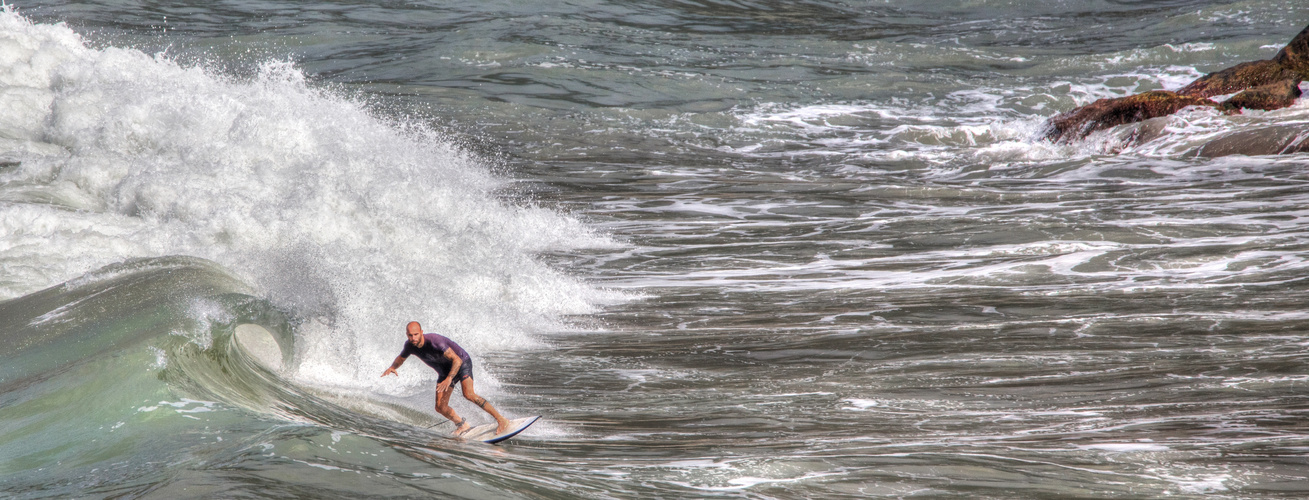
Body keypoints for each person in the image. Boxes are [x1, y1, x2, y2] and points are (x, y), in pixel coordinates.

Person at [381, 321, 511, 436]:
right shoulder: (409, 346)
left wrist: (450, 378)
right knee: (440, 407)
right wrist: (393, 367)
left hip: (461, 363)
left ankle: (501, 419)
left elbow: (457, 360)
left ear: (421, 332)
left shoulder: (435, 342)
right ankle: (462, 425)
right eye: (410, 335)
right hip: (444, 371)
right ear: (406, 335)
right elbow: (401, 358)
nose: (413, 338)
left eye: (416, 334)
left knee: (469, 394)